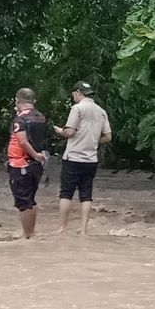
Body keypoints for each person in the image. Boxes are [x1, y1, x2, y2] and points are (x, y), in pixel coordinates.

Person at [53, 80, 112, 235]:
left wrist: (60, 131)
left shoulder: (77, 108)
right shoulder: (101, 111)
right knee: (86, 194)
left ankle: (62, 228)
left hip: (73, 157)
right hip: (91, 160)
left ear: (77, 93)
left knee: (66, 193)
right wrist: (92, 139)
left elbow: (70, 132)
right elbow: (108, 137)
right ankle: (84, 229)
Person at [6, 87, 50, 239]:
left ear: (17, 101)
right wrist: (38, 157)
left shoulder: (20, 119)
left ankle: (27, 235)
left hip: (21, 164)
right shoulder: (40, 117)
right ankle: (31, 233)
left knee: (23, 203)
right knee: (30, 199)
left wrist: (35, 155)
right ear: (34, 101)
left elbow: (23, 141)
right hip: (35, 166)